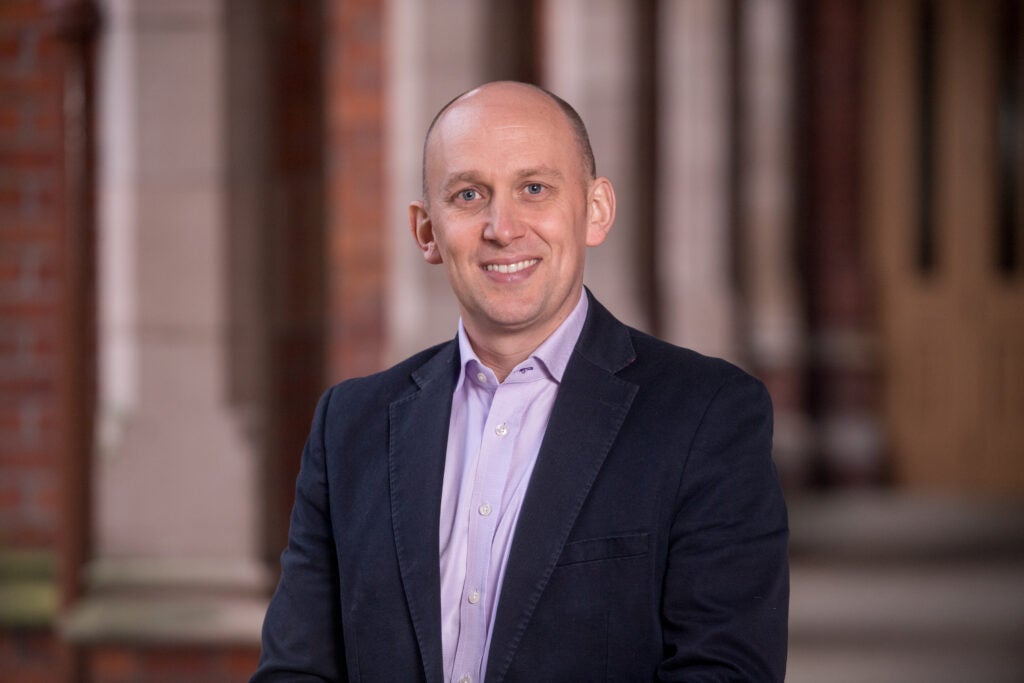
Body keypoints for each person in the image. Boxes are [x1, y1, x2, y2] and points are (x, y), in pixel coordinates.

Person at [252, 81, 788, 682]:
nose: (502, 228)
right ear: (427, 231)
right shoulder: (348, 426)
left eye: (534, 189)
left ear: (596, 209)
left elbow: (724, 672)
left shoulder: (707, 414)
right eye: (469, 194)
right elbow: (295, 672)